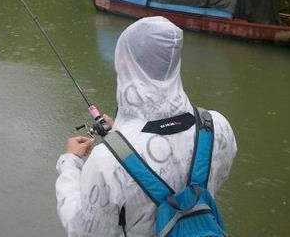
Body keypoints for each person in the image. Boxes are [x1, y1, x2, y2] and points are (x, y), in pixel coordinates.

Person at [55, 16, 237, 237]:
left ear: (125, 64)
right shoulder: (216, 126)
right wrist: (121, 135)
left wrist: (70, 163)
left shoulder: (106, 161)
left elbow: (82, 230)